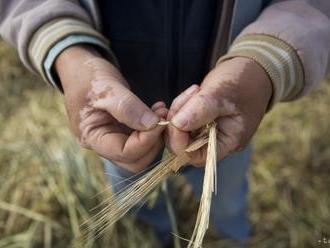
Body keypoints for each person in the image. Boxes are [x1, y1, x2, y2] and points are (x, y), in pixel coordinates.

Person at [1, 0, 329, 246]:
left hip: (223, 123)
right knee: (133, 190)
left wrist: (263, 62)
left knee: (225, 193)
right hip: (119, 120)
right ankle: (154, 232)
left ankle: (232, 235)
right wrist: (71, 55)